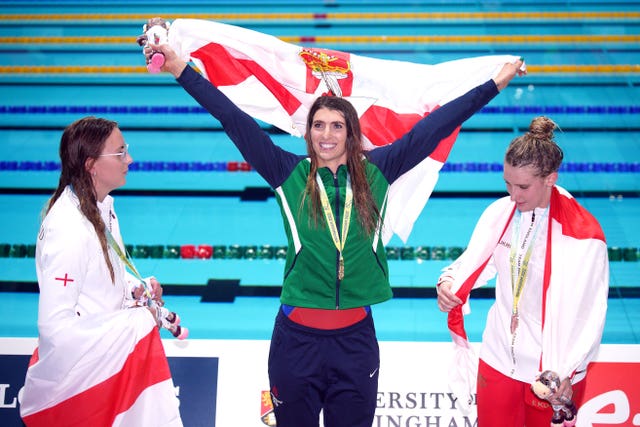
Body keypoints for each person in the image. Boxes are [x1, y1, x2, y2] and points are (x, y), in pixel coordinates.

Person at [144, 40, 523, 427]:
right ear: (308, 133)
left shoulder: (379, 170)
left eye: (337, 126)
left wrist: (494, 83)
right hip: (296, 343)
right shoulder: (286, 173)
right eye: (319, 125)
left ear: (351, 133)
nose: (327, 135)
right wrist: (179, 69)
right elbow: (232, 118)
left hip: (355, 342)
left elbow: (436, 126)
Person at [436, 116, 609, 426]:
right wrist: (449, 280)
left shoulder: (582, 237)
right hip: (498, 358)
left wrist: (567, 369)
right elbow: (477, 260)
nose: (513, 195)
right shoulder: (500, 212)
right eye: (507, 183)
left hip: (551, 373)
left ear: (550, 179)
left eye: (523, 187)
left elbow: (590, 315)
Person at [20, 117, 183, 426]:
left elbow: (99, 280)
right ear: (92, 164)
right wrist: (134, 322)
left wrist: (134, 288)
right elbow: (56, 330)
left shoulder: (99, 208)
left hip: (105, 365)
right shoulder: (68, 228)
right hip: (84, 384)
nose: (130, 160)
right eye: (120, 152)